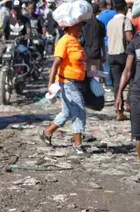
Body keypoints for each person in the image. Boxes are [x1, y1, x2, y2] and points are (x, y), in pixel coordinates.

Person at [116, 6, 140, 181]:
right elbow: (127, 70)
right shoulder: (136, 43)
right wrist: (119, 94)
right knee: (139, 134)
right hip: (137, 93)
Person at [39, 20, 88, 155]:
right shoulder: (64, 41)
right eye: (77, 25)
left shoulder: (75, 40)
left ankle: (47, 132)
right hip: (67, 83)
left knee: (67, 113)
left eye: (81, 25)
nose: (80, 27)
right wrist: (50, 84)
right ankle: (78, 145)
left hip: (75, 82)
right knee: (79, 112)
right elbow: (55, 64)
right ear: (69, 27)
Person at [107, 0, 134, 121]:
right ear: (124, 8)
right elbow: (129, 37)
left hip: (111, 55)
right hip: (123, 54)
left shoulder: (110, 22)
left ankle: (119, 111)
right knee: (132, 78)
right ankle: (130, 104)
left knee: (117, 83)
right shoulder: (125, 20)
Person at [81, 2, 106, 74]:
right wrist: (104, 54)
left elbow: (81, 40)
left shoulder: (83, 24)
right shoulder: (100, 24)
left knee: (85, 77)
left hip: (85, 53)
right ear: (98, 11)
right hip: (96, 54)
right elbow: (102, 41)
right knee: (95, 77)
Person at [98, 0, 117, 88]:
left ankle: (109, 85)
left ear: (100, 7)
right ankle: (116, 82)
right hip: (115, 41)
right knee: (115, 63)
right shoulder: (114, 13)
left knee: (105, 65)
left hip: (105, 43)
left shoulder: (99, 18)